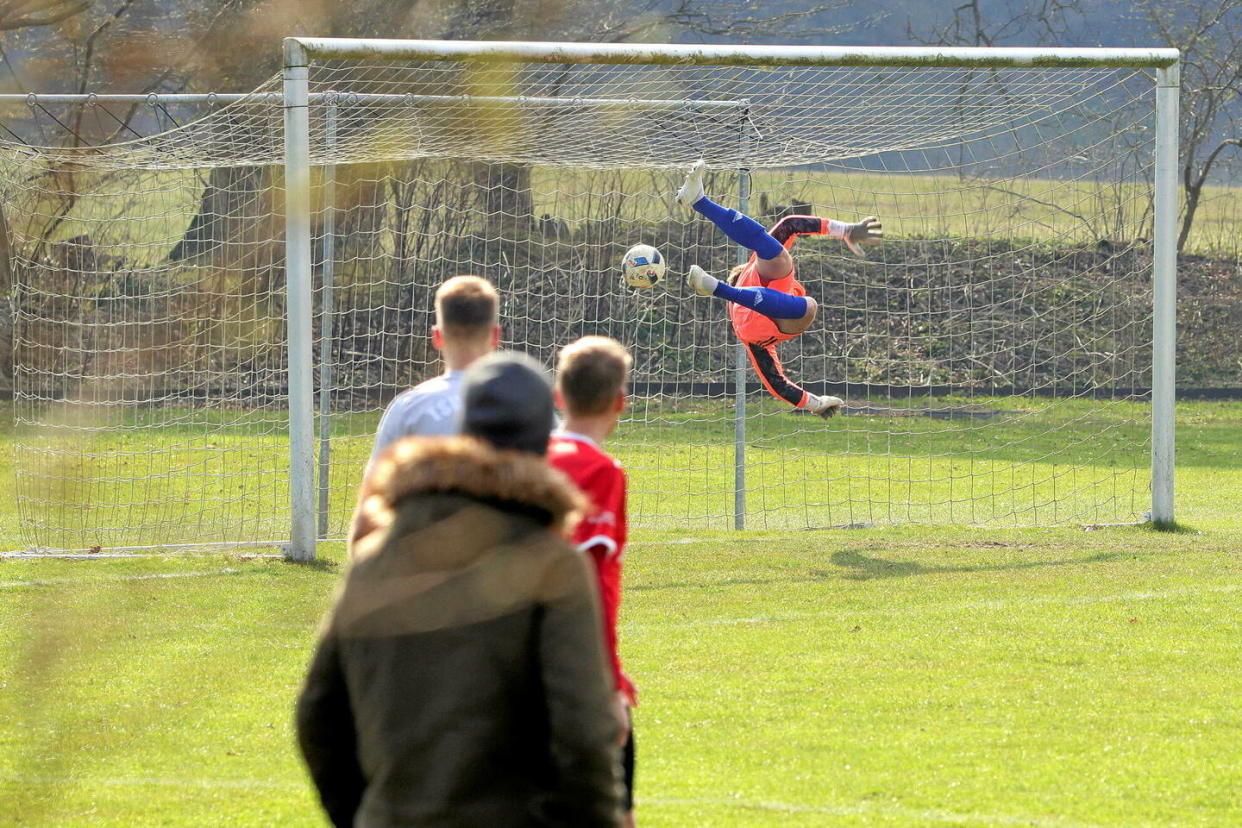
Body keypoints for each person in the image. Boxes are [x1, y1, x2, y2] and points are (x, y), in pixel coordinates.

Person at [297, 351, 625, 828]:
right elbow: (582, 731)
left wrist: (364, 813)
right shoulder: (551, 565)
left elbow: (318, 714)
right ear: (542, 443)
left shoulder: (376, 560)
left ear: (464, 434)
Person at [676, 159, 883, 417]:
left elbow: (777, 384)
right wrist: (846, 229)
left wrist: (815, 403)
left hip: (757, 322)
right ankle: (702, 212)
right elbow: (791, 224)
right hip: (757, 322)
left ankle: (699, 203)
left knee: (798, 289)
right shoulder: (757, 269)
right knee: (789, 274)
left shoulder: (757, 275)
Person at [546, 336, 638, 827]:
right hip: (577, 671)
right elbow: (585, 585)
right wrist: (610, 685)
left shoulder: (529, 459)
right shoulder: (600, 472)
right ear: (620, 402)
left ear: (558, 395)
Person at [364, 274, 501, 470]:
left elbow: (374, 491)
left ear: (436, 337)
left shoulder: (408, 409)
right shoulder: (532, 408)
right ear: (496, 336)